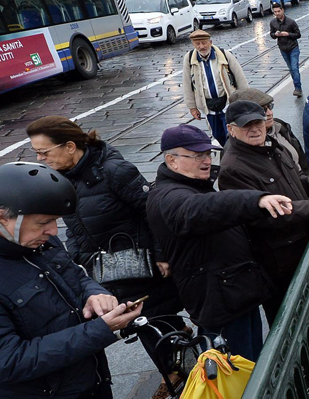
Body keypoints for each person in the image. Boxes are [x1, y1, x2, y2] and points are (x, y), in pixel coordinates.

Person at [145, 124, 293, 361]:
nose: (206, 161)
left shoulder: (193, 185)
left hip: (236, 295)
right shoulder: (168, 195)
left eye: (208, 154)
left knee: (252, 364)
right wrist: (255, 200)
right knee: (238, 372)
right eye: (197, 156)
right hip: (221, 303)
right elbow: (200, 209)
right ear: (172, 160)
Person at [0, 161, 144, 399]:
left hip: (90, 380)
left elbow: (75, 275)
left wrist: (94, 293)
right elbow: (9, 361)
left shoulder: (39, 241)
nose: (53, 231)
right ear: (3, 218)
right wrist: (100, 330)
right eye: (43, 223)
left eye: (54, 221)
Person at [25, 116, 181, 318]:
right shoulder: (63, 179)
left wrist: (162, 255)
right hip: (104, 272)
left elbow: (153, 212)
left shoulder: (114, 171)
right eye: (37, 152)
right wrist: (77, 258)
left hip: (139, 268)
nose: (40, 158)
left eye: (44, 152)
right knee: (139, 323)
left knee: (156, 321)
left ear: (70, 146)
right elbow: (74, 227)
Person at [218, 101, 309, 323]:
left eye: (258, 123)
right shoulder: (233, 168)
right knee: (296, 319)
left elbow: (295, 178)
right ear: (231, 129)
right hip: (281, 262)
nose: (255, 129)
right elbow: (262, 215)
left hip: (302, 246)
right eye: (246, 125)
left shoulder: (272, 147)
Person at [182, 29, 248, 146]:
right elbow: (187, 83)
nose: (201, 46)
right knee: (218, 134)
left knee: (231, 133)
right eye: (197, 44)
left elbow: (240, 77)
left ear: (210, 42)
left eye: (204, 43)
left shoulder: (224, 55)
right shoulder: (189, 58)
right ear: (193, 44)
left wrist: (245, 101)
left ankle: (232, 153)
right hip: (209, 106)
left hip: (227, 103)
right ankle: (228, 150)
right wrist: (192, 107)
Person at [229, 87, 309, 175]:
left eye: (270, 106)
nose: (270, 113)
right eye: (263, 110)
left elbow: (302, 161)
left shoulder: (280, 126)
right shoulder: (237, 153)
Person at [269, 2, 303, 98]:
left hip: (293, 48)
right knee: (291, 69)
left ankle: (298, 88)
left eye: (278, 11)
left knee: (294, 68)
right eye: (275, 12)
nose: (277, 13)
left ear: (282, 10)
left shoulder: (291, 22)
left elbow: (298, 34)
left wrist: (287, 34)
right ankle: (297, 86)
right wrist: (275, 34)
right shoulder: (273, 23)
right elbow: (271, 34)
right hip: (283, 49)